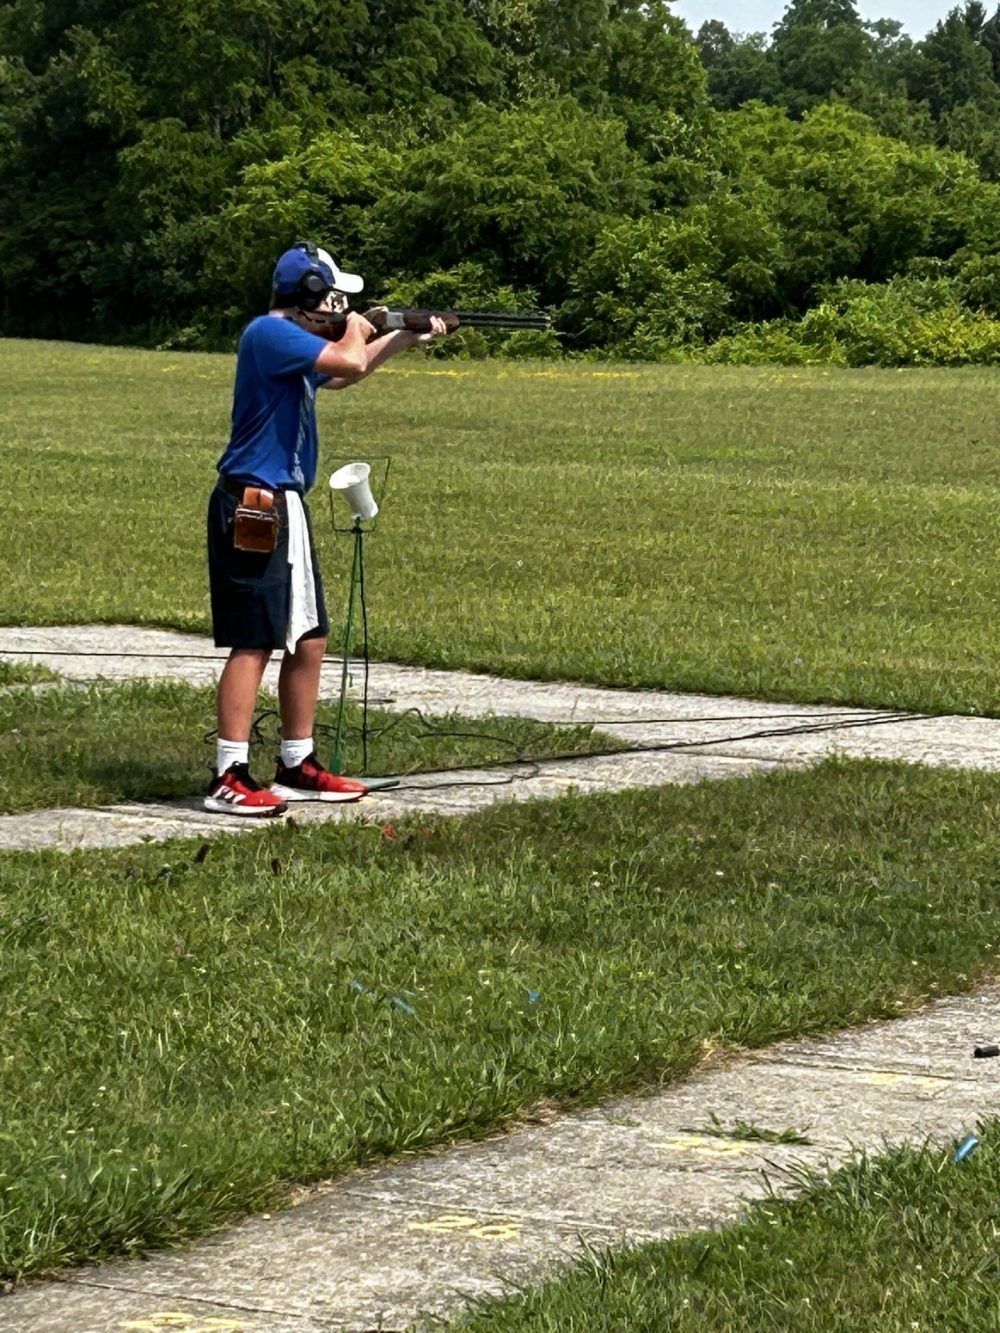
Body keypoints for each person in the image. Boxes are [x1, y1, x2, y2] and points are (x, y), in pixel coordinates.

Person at [204, 241, 449, 816]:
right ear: (312, 295)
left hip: (282, 502)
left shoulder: (292, 344)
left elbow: (341, 376)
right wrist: (362, 331)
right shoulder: (269, 334)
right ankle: (228, 773)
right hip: (256, 504)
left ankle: (296, 761)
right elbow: (350, 360)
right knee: (256, 638)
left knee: (308, 638)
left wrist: (407, 335)